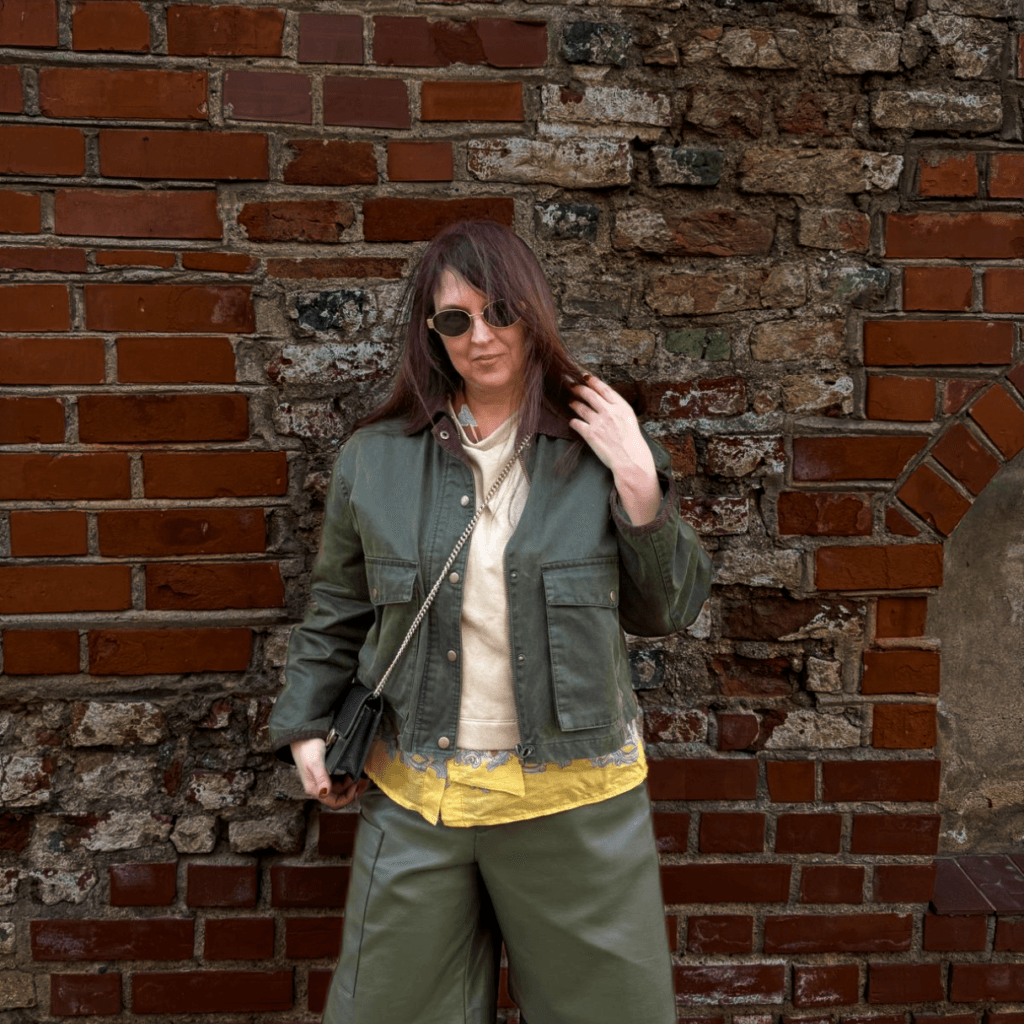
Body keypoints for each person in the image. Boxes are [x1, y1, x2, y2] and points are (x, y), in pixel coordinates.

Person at [268, 219, 712, 1024]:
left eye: (501, 310)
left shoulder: (598, 448)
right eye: (456, 318)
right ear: (430, 332)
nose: (482, 336)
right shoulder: (377, 457)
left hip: (575, 799)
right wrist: (305, 726)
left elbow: (667, 610)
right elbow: (338, 605)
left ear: (533, 311)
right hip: (418, 799)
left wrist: (639, 481)